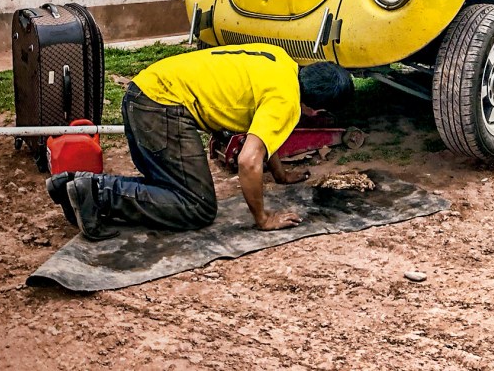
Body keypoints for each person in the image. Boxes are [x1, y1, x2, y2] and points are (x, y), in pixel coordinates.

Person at [45, 43, 354, 241]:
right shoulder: (286, 101)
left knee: (168, 185)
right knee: (197, 207)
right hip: (160, 107)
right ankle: (95, 192)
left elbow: (264, 137)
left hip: (145, 91)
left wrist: (280, 175)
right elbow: (248, 160)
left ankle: (71, 184)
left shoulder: (281, 63)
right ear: (318, 109)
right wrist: (263, 219)